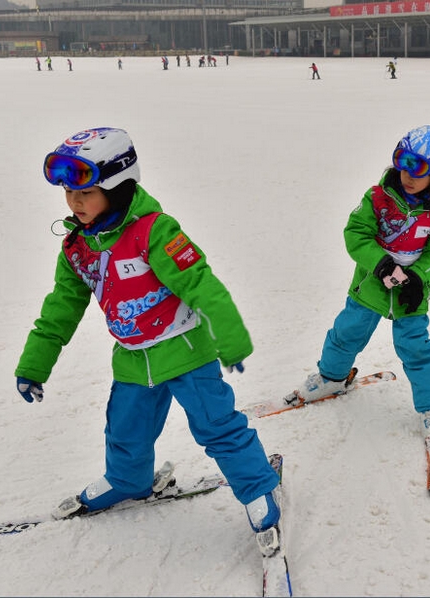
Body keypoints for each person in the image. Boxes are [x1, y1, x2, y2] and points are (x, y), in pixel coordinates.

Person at [15, 127, 282, 553]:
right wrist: (34, 364)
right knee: (126, 431)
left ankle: (257, 489)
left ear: (119, 187)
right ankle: (127, 480)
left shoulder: (154, 231)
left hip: (187, 353)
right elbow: (60, 309)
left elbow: (200, 282)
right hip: (133, 358)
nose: (74, 203)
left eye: (85, 192)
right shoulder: (77, 248)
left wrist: (229, 339)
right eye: (68, 192)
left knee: (218, 427)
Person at [289, 125, 430, 442]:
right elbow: (356, 234)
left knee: (417, 348)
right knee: (346, 332)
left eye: (417, 166)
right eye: (402, 160)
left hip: (410, 293)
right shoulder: (378, 197)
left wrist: (418, 277)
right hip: (371, 283)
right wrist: (381, 264)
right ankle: (331, 378)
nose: (406, 172)